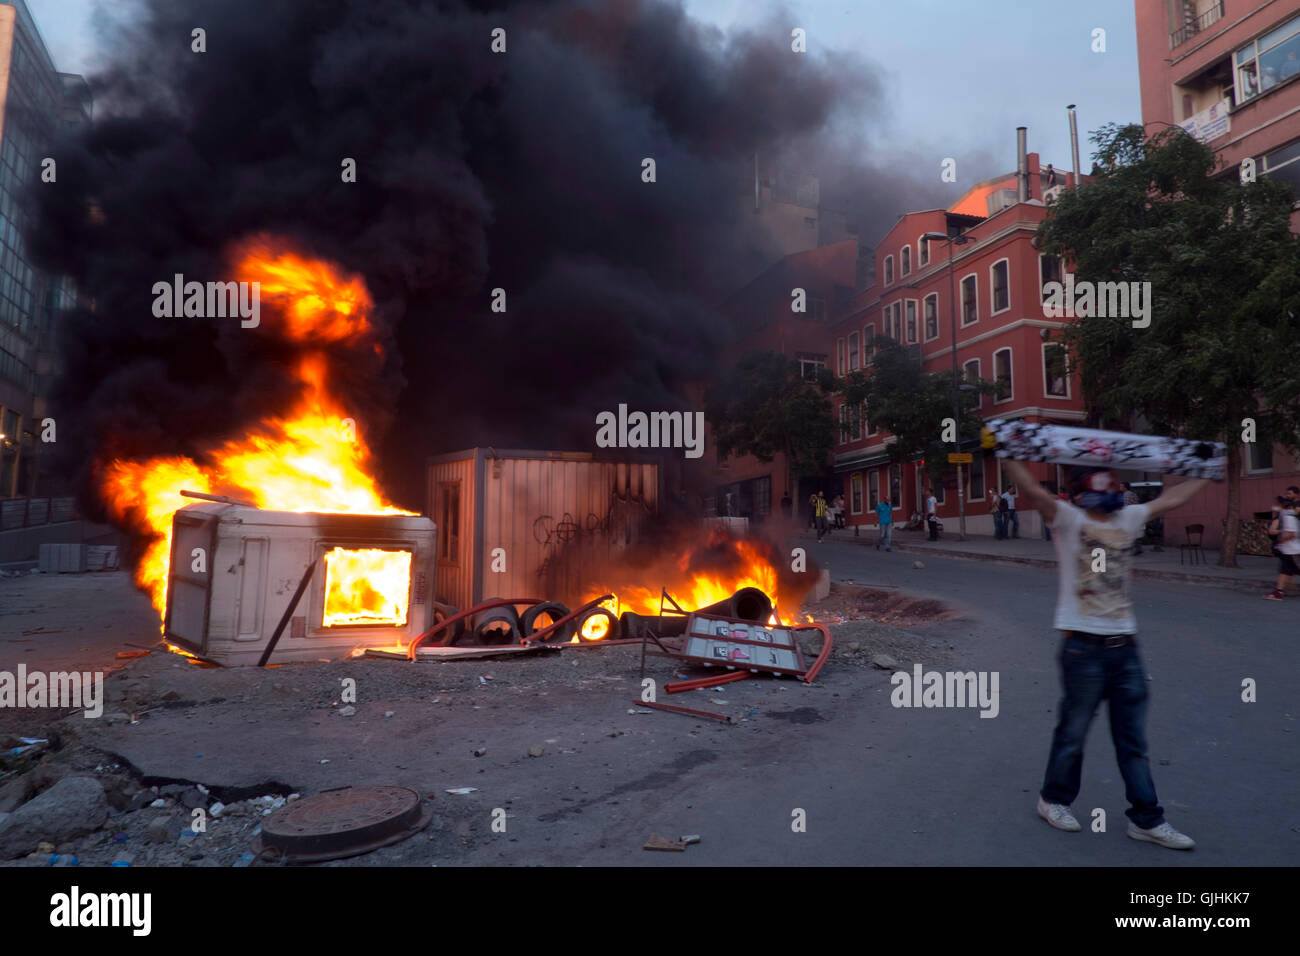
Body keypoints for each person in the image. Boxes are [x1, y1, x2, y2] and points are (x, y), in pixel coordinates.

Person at [1002, 458, 1208, 851]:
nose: (1108, 493)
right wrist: (1007, 452)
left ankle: (1146, 819)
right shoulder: (1067, 519)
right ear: (1082, 491)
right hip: (1082, 648)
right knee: (1073, 734)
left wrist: (1211, 469)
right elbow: (1032, 489)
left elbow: (1173, 497)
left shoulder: (1128, 518)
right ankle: (1053, 800)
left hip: (1126, 648)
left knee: (1132, 740)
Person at [1265, 497, 1299, 600]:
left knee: (1287, 570)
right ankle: (1278, 592)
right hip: (1290, 550)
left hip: (1291, 550)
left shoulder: (1288, 517)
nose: (1275, 507)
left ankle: (1279, 592)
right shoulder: (1289, 516)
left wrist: (1281, 541)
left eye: (1278, 505)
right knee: (1285, 570)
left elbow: (1292, 534)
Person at [1122, 483, 1142, 555]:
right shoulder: (1133, 494)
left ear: (1125, 487)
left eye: (1121, 486)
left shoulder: (1126, 494)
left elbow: (1125, 506)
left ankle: (1131, 549)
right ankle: (1138, 548)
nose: (1120, 487)